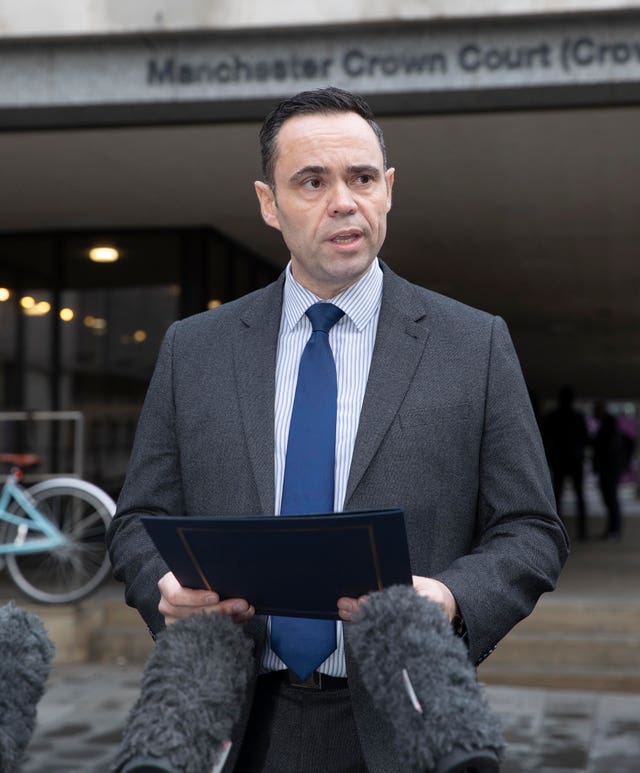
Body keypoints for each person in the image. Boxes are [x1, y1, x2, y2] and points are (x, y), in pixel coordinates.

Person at [107, 87, 569, 773]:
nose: (343, 201)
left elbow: (531, 530)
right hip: (233, 723)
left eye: (359, 178)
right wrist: (164, 588)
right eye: (312, 181)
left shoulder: (474, 344)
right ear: (269, 202)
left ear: (387, 189)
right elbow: (137, 519)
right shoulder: (194, 349)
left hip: (405, 721)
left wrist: (449, 599)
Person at [541, 385, 590, 540]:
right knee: (572, 496)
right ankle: (581, 531)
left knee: (559, 497)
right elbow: (585, 438)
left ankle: (559, 532)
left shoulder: (555, 416)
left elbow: (545, 438)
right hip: (569, 460)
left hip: (562, 460)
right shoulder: (575, 417)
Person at [592, 400, 626, 540]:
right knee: (610, 500)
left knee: (611, 500)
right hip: (609, 469)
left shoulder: (608, 428)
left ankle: (614, 530)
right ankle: (613, 529)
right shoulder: (608, 426)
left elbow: (605, 449)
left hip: (609, 469)